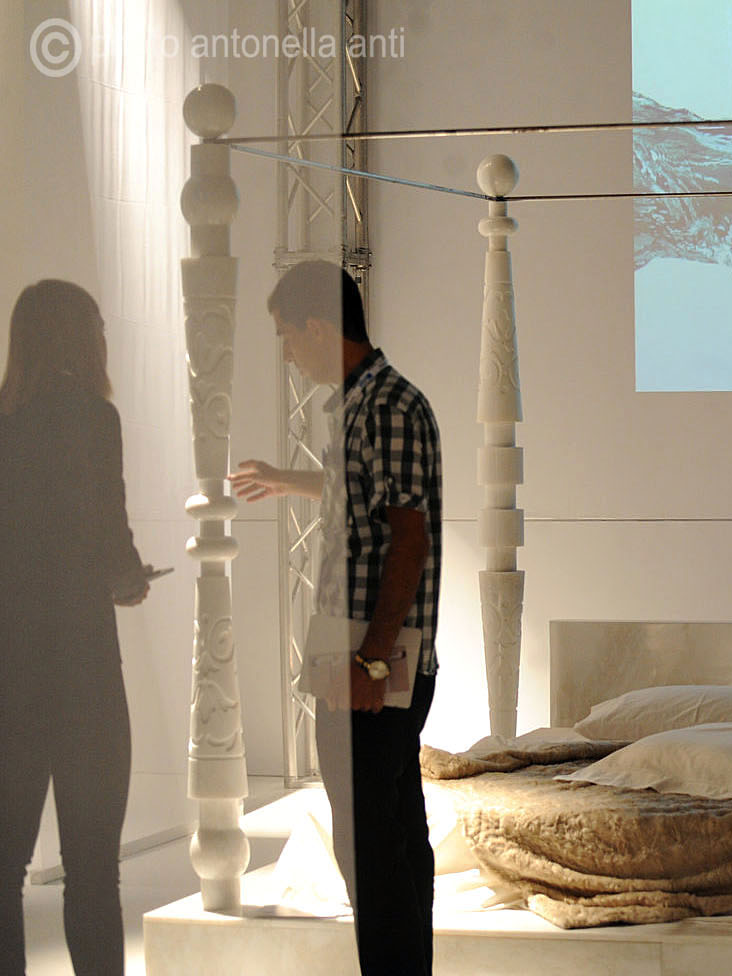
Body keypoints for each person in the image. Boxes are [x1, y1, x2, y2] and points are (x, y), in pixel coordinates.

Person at [228, 261, 442, 976]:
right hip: (355, 660)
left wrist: (372, 661)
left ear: (319, 327)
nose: (288, 354)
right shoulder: (359, 405)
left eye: (288, 337)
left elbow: (409, 539)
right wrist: (284, 479)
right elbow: (357, 491)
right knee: (383, 840)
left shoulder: (386, 404)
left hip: (372, 665)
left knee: (376, 850)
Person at [0, 280, 153, 976]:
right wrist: (129, 577)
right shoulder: (94, 418)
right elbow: (109, 535)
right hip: (84, 669)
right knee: (93, 870)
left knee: (4, 866)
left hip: (11, 673)